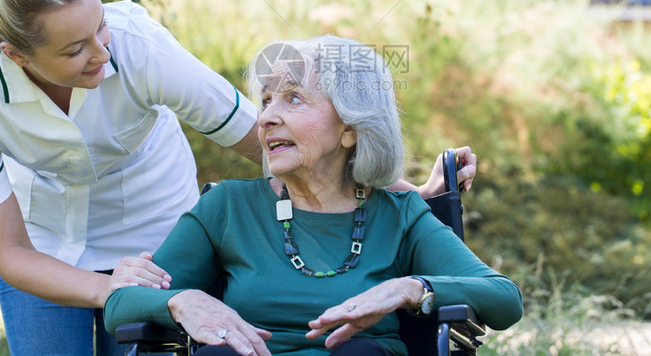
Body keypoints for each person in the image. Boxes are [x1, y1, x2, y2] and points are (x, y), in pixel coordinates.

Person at [0, 0, 476, 356]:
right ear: (17, 56)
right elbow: (12, 254)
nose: (103, 51)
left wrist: (406, 190)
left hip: (156, 239)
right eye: (77, 49)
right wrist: (113, 291)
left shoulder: (139, 47)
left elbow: (272, 138)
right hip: (44, 248)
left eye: (101, 27)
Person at [104, 35, 523, 356]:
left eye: (294, 98)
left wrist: (412, 288)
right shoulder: (228, 207)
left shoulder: (400, 216)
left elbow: (504, 298)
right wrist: (181, 300)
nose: (266, 117)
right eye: (266, 101)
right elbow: (120, 304)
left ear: (350, 128)